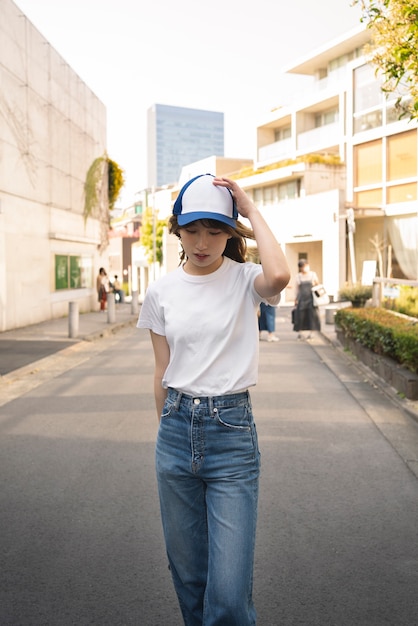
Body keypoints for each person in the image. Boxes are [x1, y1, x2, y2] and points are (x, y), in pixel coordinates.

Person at [137, 173, 290, 626]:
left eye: (216, 230)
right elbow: (161, 371)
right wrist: (167, 429)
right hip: (176, 431)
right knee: (189, 578)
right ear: (177, 230)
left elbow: (280, 274)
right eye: (192, 230)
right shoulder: (161, 291)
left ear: (230, 232)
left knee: (227, 592)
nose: (202, 242)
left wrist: (250, 209)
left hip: (231, 433)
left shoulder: (246, 280)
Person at [292, 258, 321, 339]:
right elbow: (296, 289)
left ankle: (312, 333)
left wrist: (316, 284)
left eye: (306, 266)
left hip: (311, 299)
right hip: (301, 298)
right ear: (300, 268)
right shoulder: (298, 276)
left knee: (312, 315)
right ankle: (300, 333)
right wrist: (295, 299)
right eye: (303, 266)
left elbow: (318, 285)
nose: (305, 268)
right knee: (300, 316)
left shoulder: (313, 274)